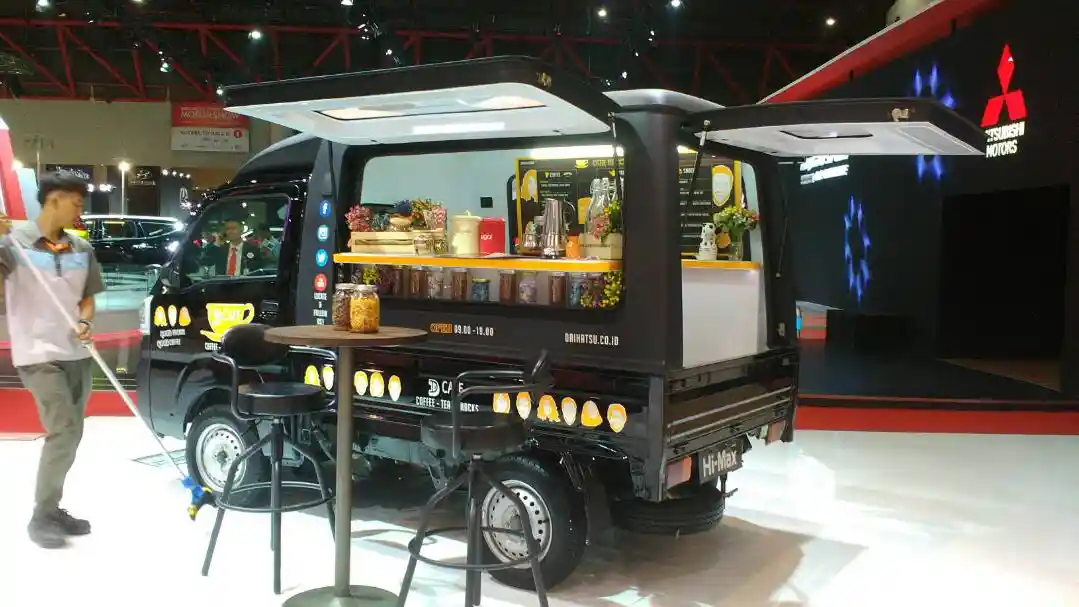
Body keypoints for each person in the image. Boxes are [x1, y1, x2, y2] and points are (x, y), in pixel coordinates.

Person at [0, 171, 104, 549]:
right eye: (75, 202)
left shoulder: (81, 248)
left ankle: (52, 507)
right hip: (37, 353)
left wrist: (85, 321)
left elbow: (88, 297)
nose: (79, 209)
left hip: (76, 352)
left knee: (72, 434)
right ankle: (41, 516)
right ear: (53, 200)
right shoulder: (13, 244)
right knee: (63, 429)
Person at [200, 218, 265, 277]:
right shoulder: (220, 250)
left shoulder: (253, 250)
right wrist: (217, 243)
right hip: (223, 284)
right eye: (227, 229)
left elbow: (257, 272)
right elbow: (206, 262)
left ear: (242, 229)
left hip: (244, 284)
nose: (230, 231)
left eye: (233, 228)